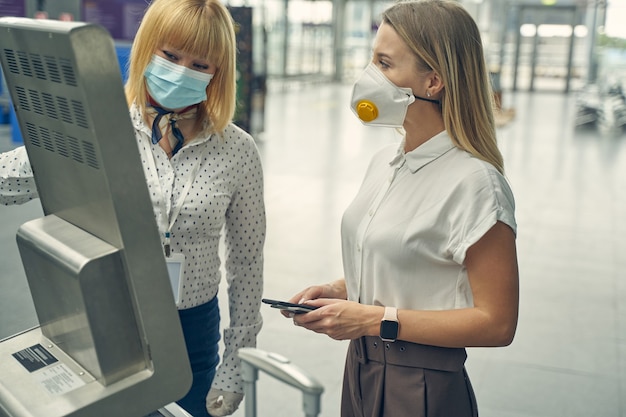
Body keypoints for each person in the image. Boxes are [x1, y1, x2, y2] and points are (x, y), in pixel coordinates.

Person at [0, 1, 265, 416]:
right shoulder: (99, 129)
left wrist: (236, 361)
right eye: (171, 55)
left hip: (192, 328)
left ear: (218, 73)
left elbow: (247, 261)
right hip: (110, 318)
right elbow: (14, 175)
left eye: (200, 63)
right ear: (146, 50)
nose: (181, 71)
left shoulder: (238, 151)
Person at [282, 1, 519, 416]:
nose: (369, 76)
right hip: (360, 364)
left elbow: (498, 323)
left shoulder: (476, 184)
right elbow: (409, 256)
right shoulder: (386, 163)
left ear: (433, 82)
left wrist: (374, 319)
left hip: (422, 379)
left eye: (385, 64)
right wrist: (341, 290)